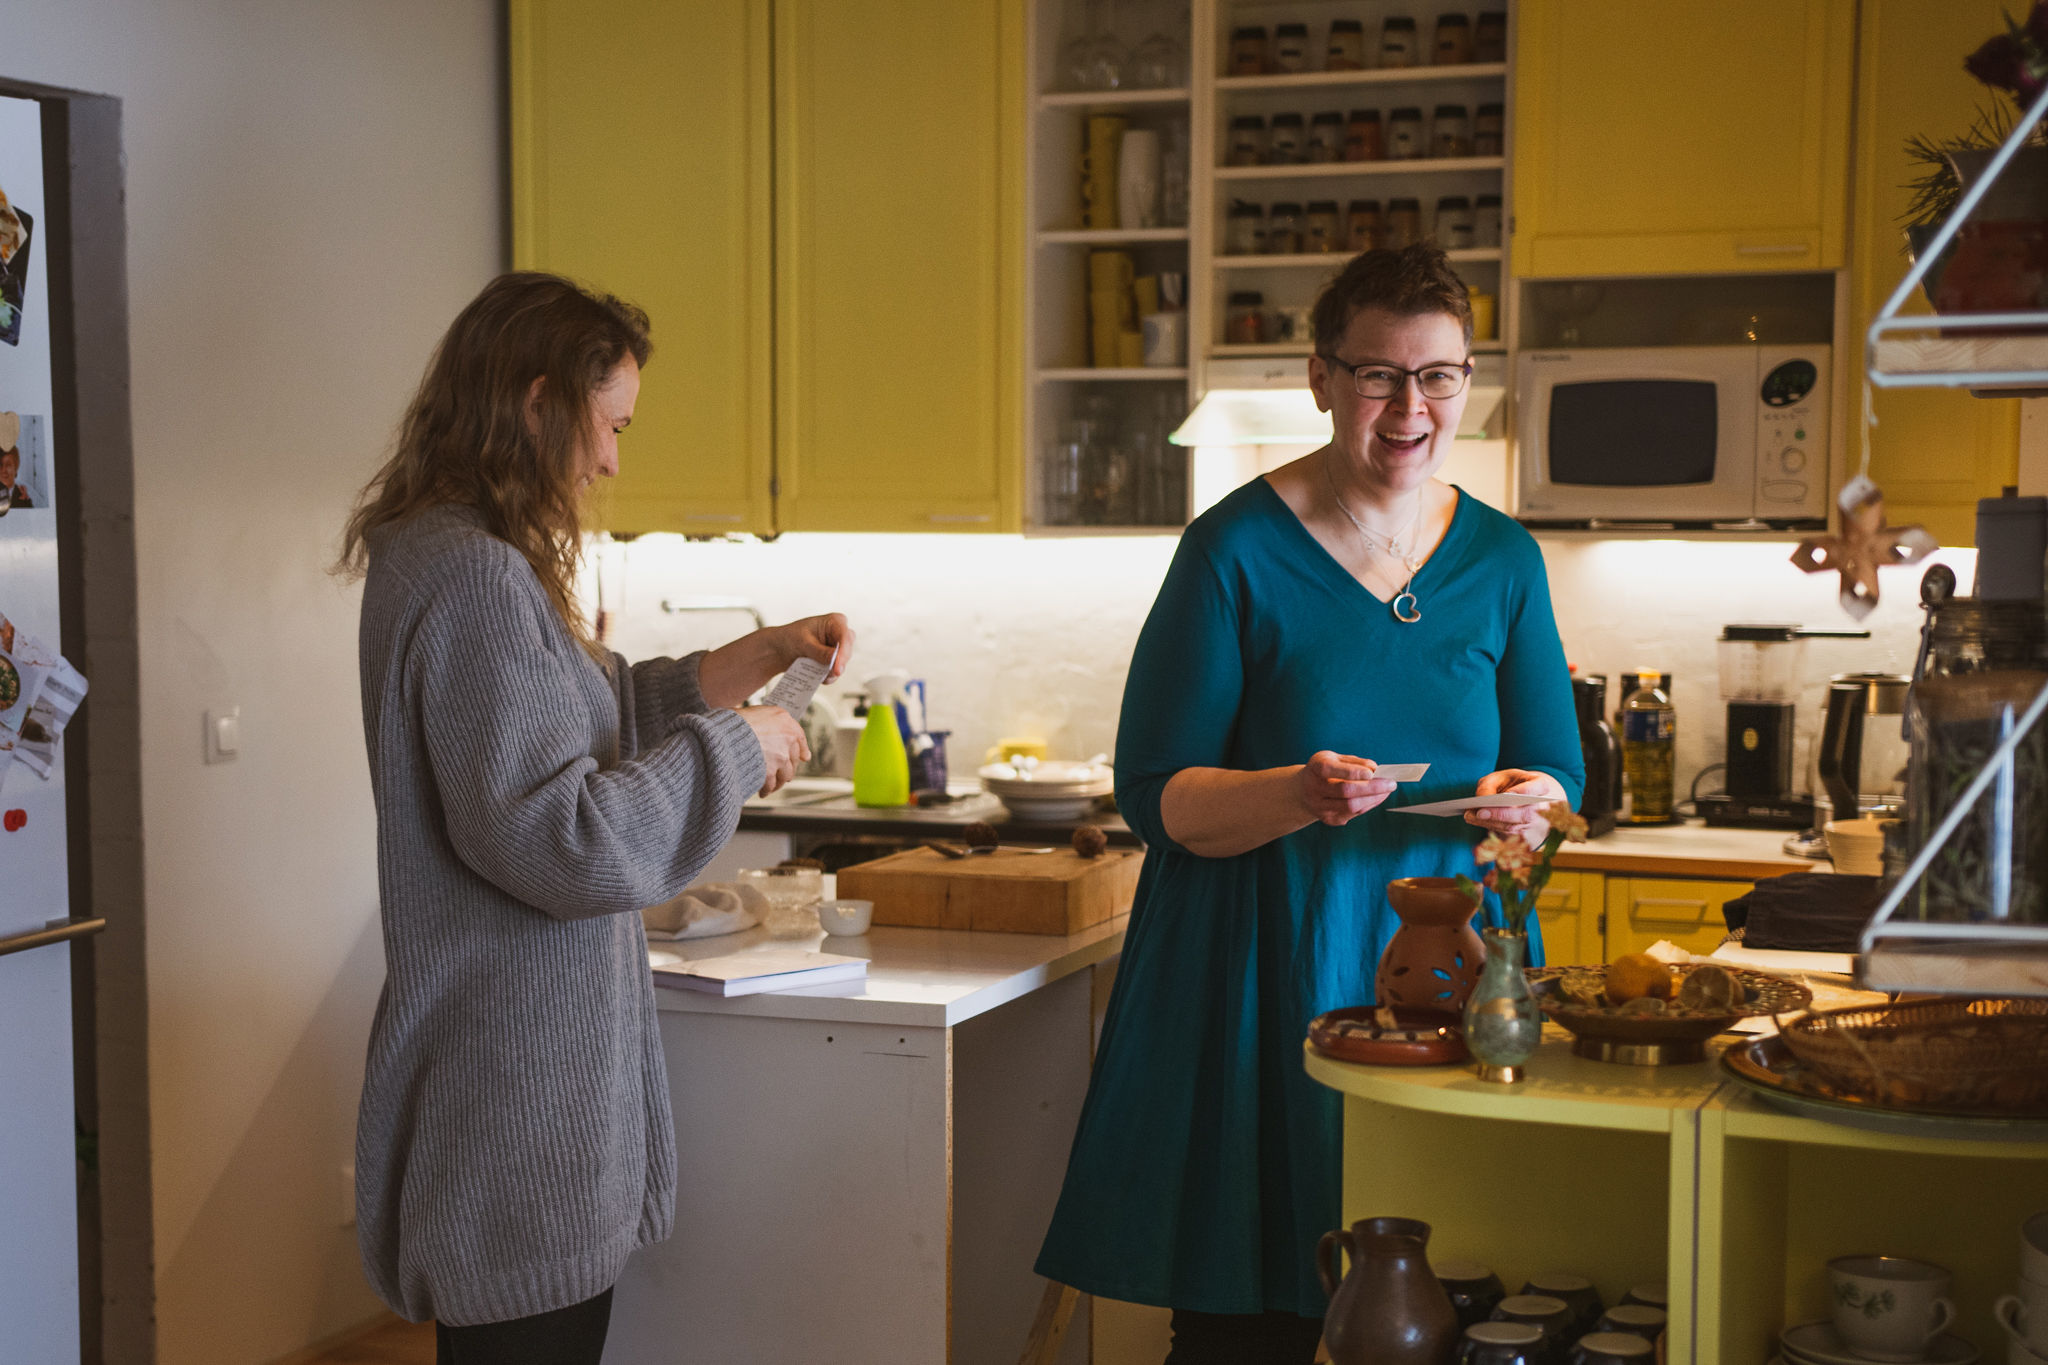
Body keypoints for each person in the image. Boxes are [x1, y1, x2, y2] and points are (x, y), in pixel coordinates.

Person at [1035, 244, 1583, 1364]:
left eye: (1435, 377)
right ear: (1320, 379)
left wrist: (1529, 804)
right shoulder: (1232, 550)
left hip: (1442, 964)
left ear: (1466, 382)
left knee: (1443, 1296)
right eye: (1378, 375)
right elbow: (1158, 798)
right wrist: (1296, 790)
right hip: (1253, 970)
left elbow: (1552, 772)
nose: (1408, 407)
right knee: (1252, 1322)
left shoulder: (1504, 558)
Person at [338, 271, 852, 1364]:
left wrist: (754, 659)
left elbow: (590, 704)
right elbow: (556, 834)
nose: (612, 458)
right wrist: (737, 743)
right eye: (608, 423)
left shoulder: (451, 555)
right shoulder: (475, 578)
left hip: (516, 1086)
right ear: (535, 403)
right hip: (517, 1099)